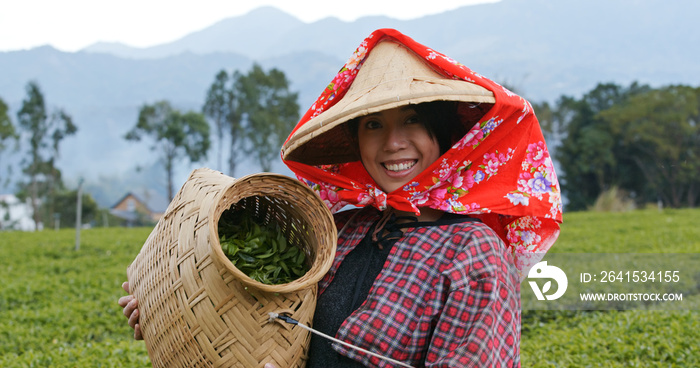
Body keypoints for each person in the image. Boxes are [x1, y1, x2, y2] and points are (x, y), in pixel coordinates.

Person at [120, 28, 562, 367]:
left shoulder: (471, 254)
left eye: (411, 121)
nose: (392, 143)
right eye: (373, 124)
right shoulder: (341, 230)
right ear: (356, 138)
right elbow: (267, 325)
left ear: (442, 135)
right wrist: (169, 307)